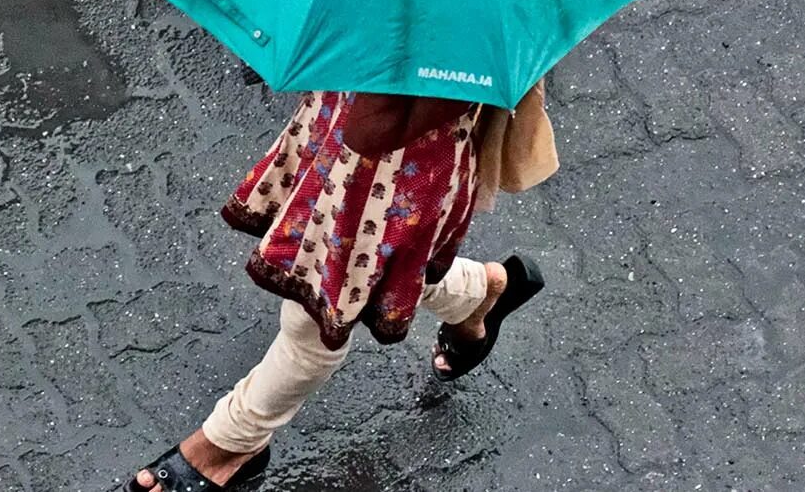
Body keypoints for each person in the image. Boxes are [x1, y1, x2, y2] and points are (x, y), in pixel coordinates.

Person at [124, 83, 558, 491]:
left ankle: (229, 444)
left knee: (316, 314)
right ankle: (478, 293)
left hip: (393, 175)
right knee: (371, 280)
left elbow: (374, 129)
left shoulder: (457, 27)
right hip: (349, 143)